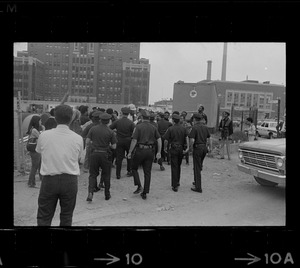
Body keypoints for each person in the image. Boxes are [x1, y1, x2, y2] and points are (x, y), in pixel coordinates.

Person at [36, 104, 84, 226]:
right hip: (70, 181)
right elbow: (78, 158)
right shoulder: (78, 138)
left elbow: (40, 152)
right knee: (67, 217)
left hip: (49, 180)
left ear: (55, 118)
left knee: (44, 217)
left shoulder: (44, 135)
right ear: (71, 119)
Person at [127, 109, 162, 200]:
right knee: (147, 172)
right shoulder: (153, 127)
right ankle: (145, 192)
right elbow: (159, 139)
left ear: (141, 117)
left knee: (134, 168)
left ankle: (139, 186)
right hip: (150, 151)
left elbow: (134, 140)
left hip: (140, 150)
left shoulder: (138, 127)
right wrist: (159, 152)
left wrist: (130, 152)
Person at [86, 112, 117, 202]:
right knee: (106, 174)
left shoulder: (93, 129)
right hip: (105, 155)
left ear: (100, 120)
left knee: (92, 174)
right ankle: (107, 194)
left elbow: (87, 141)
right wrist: (108, 146)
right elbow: (114, 146)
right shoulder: (110, 132)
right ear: (108, 121)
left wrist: (94, 145)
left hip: (94, 154)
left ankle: (91, 192)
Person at [163, 114, 189, 192]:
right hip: (181, 148)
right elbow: (187, 137)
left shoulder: (170, 129)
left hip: (173, 148)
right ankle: (177, 181)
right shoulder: (183, 129)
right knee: (178, 165)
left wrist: (165, 148)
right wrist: (187, 148)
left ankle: (174, 185)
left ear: (173, 121)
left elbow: (166, 140)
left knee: (174, 166)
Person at [109, 107, 135, 179]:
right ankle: (129, 171)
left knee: (119, 157)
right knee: (129, 156)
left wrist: (116, 132)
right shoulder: (131, 123)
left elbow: (109, 128)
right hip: (128, 140)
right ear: (128, 113)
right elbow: (134, 132)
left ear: (121, 113)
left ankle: (118, 174)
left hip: (119, 140)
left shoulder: (117, 121)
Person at [188, 113, 211, 193]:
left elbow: (192, 140)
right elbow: (208, 139)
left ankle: (198, 187)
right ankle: (196, 181)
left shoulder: (194, 128)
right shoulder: (205, 127)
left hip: (197, 148)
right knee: (199, 165)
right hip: (204, 147)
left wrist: (190, 148)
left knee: (197, 167)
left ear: (194, 119)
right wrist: (209, 148)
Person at [27, 115, 43, 187]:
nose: (41, 122)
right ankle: (31, 182)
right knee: (35, 166)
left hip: (35, 149)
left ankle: (41, 179)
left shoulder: (33, 129)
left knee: (39, 164)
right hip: (35, 150)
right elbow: (41, 137)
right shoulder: (34, 130)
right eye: (40, 120)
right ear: (37, 121)